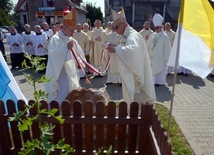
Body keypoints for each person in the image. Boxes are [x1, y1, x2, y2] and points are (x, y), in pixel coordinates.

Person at [107, 8, 156, 108]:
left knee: (136, 105)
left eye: (116, 28)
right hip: (132, 76)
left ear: (124, 25)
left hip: (135, 80)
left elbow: (133, 51)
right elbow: (125, 49)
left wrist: (116, 50)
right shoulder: (126, 34)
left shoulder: (133, 35)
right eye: (114, 28)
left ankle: (136, 119)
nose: (115, 31)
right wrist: (116, 48)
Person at [44, 9, 85, 104]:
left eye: (74, 30)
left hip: (71, 72)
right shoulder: (55, 39)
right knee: (62, 95)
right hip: (61, 73)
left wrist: (79, 62)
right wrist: (65, 48)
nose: (73, 32)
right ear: (64, 28)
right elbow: (53, 54)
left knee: (72, 94)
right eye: (71, 30)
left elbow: (78, 53)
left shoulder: (71, 39)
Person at [147, 13, 171, 87]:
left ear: (161, 27)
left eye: (158, 27)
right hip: (152, 57)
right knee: (152, 69)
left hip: (160, 58)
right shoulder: (152, 35)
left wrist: (165, 58)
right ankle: (152, 82)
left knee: (160, 70)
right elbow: (148, 45)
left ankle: (159, 82)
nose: (156, 29)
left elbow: (167, 49)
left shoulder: (165, 37)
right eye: (155, 28)